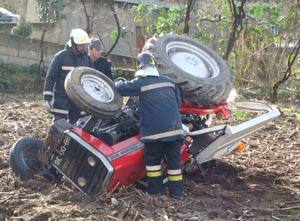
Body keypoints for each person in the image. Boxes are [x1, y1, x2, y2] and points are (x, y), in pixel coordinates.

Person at [114, 52, 184, 198]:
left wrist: (116, 81)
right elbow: (178, 104)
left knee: (153, 163)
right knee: (174, 164)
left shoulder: (141, 83)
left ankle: (155, 192)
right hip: (175, 131)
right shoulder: (170, 82)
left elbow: (121, 88)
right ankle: (176, 194)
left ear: (139, 67)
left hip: (154, 133)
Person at [43, 28, 93, 124]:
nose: (83, 47)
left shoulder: (87, 60)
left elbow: (90, 80)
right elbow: (50, 77)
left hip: (79, 103)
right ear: (73, 43)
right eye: (81, 44)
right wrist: (47, 98)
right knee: (58, 128)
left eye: (84, 44)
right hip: (62, 100)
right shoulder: (60, 57)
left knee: (77, 131)